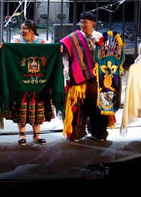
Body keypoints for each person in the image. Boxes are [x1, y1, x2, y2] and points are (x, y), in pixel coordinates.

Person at [61, 11, 110, 141]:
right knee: (78, 107)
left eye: (85, 22)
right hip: (79, 79)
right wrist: (67, 74)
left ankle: (98, 132)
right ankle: (77, 132)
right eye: (81, 22)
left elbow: (107, 57)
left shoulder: (100, 37)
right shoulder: (73, 38)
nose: (83, 25)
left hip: (97, 79)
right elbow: (65, 58)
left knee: (98, 106)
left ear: (93, 23)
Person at [8, 20, 52, 145]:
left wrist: (58, 49)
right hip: (21, 82)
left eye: (25, 28)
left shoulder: (43, 43)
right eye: (21, 28)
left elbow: (50, 55)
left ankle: (37, 135)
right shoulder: (16, 42)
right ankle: (22, 135)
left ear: (32, 30)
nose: (22, 31)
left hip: (37, 82)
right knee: (21, 108)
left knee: (36, 108)